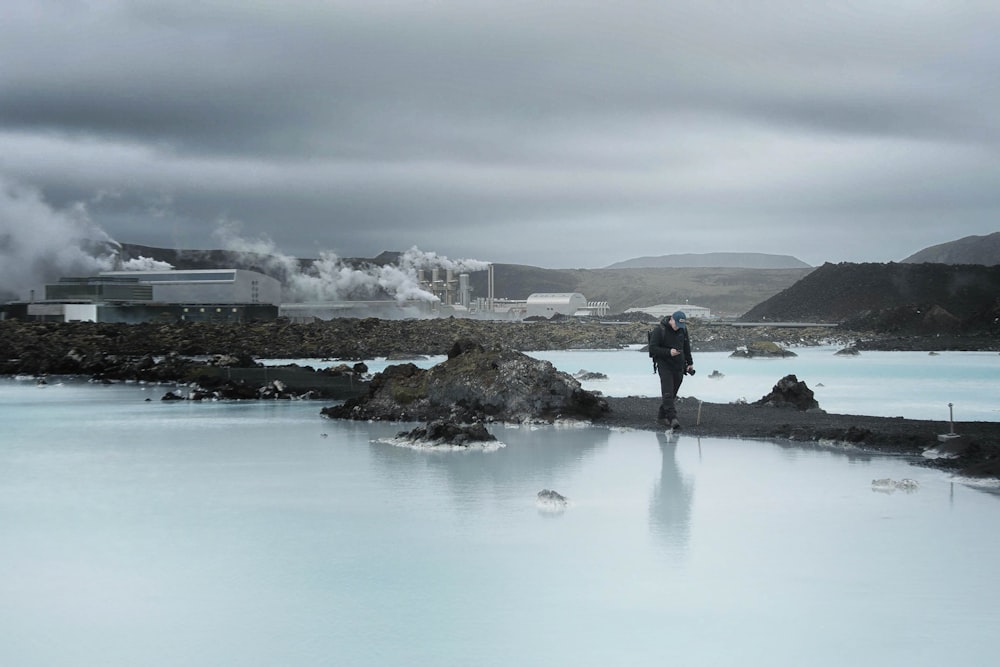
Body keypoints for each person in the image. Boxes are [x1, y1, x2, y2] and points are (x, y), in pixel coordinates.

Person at [648, 310, 695, 429]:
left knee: (672, 394)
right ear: (671, 319)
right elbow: (653, 349)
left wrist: (689, 363)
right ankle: (672, 418)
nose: (677, 328)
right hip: (664, 365)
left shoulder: (683, 330)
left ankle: (661, 417)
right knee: (667, 393)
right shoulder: (660, 330)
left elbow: (686, 347)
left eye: (680, 326)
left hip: (679, 365)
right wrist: (668, 352)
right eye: (676, 325)